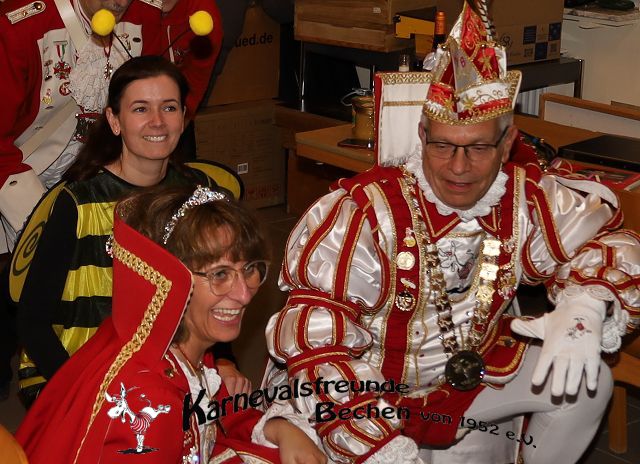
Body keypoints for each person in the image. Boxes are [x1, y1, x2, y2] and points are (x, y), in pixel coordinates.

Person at [261, 2, 640, 464]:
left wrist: (585, 306)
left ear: (508, 143)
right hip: (363, 395)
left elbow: (609, 243)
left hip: (467, 386)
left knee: (589, 383)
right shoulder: (366, 212)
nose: (459, 168)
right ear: (422, 136)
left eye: (479, 147)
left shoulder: (523, 196)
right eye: (443, 145)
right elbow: (318, 344)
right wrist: (380, 448)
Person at [16, 184, 327, 464]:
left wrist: (277, 428)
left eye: (250, 269)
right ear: (169, 281)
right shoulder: (152, 402)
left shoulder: (163, 340)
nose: (244, 294)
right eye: (220, 274)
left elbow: (214, 400)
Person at [15, 55, 245, 408]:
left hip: (171, 367)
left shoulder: (200, 193)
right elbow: (32, 322)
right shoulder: (78, 202)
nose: (157, 121)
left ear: (184, 118)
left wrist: (225, 361)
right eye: (140, 109)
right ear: (114, 120)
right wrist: (81, 391)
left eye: (169, 107)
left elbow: (220, 291)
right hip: (76, 371)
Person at [0, 0, 164, 251]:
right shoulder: (20, 27)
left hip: (106, 170)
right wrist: (45, 226)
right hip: (25, 170)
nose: (121, 2)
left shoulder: (145, 15)